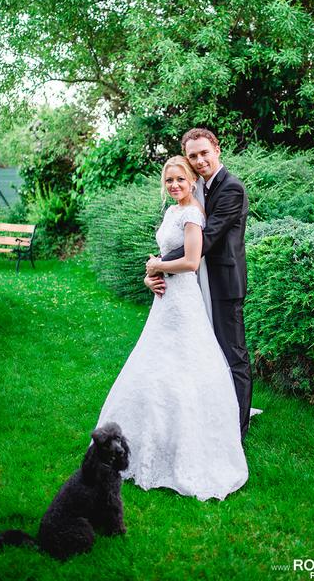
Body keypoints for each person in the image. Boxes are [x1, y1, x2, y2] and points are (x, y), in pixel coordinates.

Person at [92, 156, 248, 502]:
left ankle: (187, 442)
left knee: (184, 365)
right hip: (164, 300)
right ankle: (147, 437)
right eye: (169, 180)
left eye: (180, 179)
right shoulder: (171, 212)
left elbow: (191, 261)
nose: (174, 185)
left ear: (192, 181)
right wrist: (151, 276)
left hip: (183, 301)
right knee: (155, 363)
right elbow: (164, 256)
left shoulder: (192, 215)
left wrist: (157, 265)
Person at [145, 129, 253, 441]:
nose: (200, 159)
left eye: (204, 152)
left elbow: (206, 238)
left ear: (217, 149)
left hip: (224, 282)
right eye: (193, 155)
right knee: (205, 351)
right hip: (195, 283)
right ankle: (211, 410)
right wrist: (156, 269)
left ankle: (238, 428)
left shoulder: (231, 188)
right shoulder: (199, 188)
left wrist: (158, 265)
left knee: (234, 355)